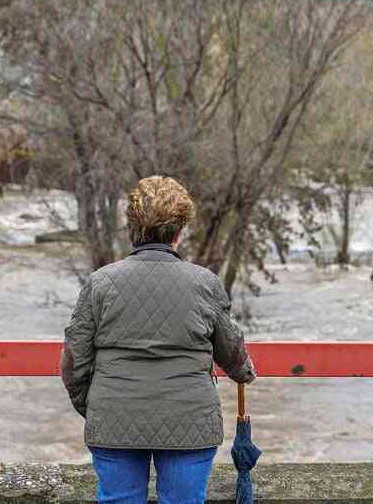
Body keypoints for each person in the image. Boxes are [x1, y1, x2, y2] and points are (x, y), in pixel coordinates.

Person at [60, 175, 257, 504]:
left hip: (114, 415)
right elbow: (233, 354)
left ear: (132, 230)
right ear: (180, 232)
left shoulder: (100, 283)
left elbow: (73, 365)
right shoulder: (204, 283)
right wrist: (244, 370)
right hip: (189, 419)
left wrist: (96, 406)